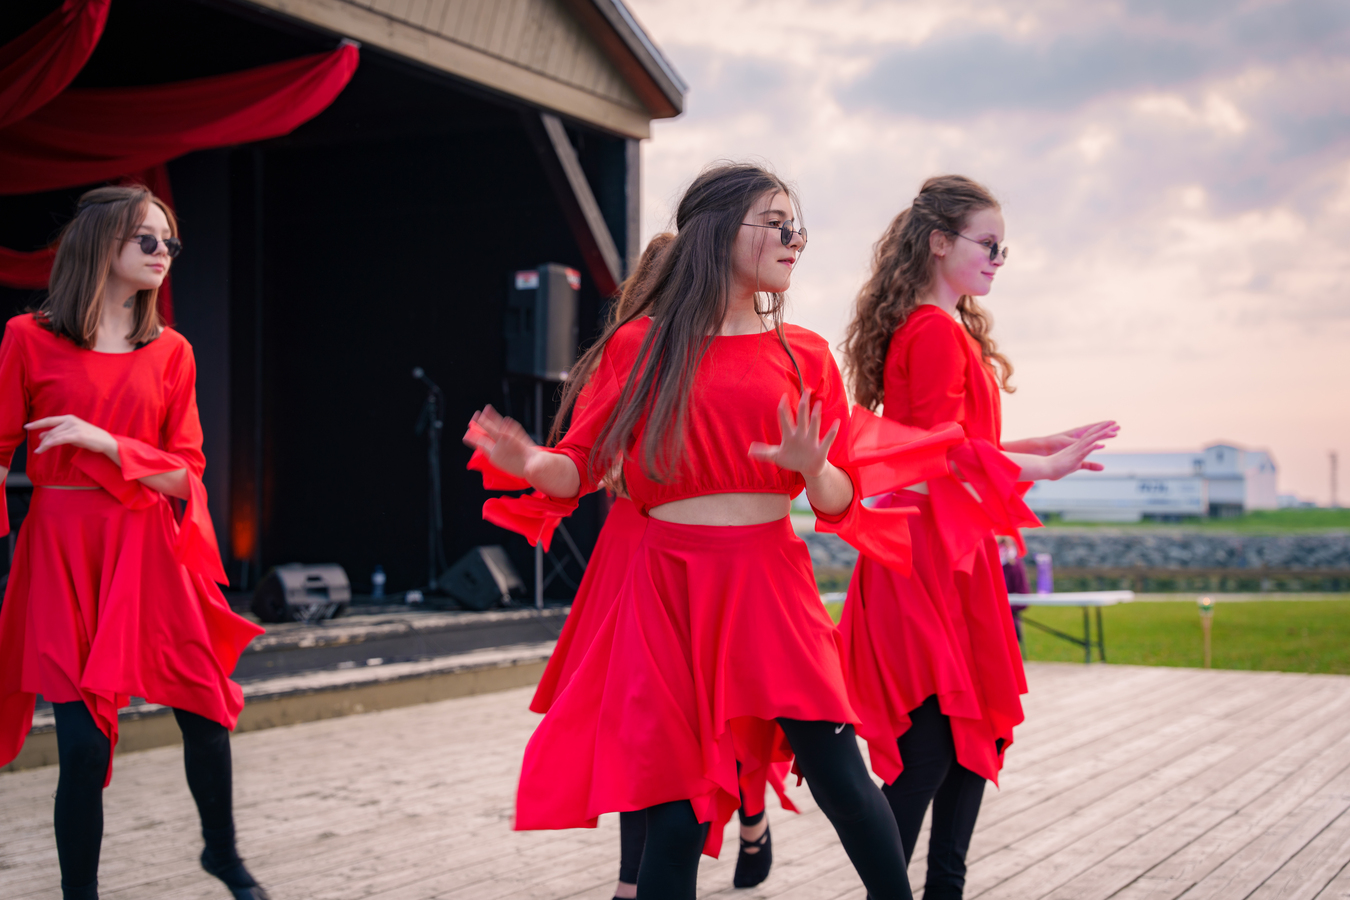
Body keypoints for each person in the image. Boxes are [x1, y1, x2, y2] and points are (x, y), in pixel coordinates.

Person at [465, 164, 942, 900]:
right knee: (677, 814)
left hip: (770, 581)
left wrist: (814, 469)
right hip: (666, 590)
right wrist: (529, 459)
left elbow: (843, 496)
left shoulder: (805, 354)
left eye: (798, 227)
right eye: (778, 224)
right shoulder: (641, 347)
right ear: (718, 233)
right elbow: (580, 469)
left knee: (841, 778)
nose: (795, 241)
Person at [838, 174, 1117, 899]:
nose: (999, 258)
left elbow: (958, 446)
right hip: (929, 562)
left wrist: (1039, 446)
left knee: (968, 748)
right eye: (988, 244)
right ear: (939, 242)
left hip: (949, 557)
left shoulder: (942, 326)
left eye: (1004, 248)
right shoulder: (931, 330)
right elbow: (936, 456)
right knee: (935, 747)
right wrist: (1041, 467)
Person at [487, 233, 788, 898]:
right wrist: (547, 462)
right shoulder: (640, 350)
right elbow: (586, 459)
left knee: (728, 700)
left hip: (706, 549)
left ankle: (751, 815)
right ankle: (635, 879)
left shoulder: (731, 353)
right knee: (643, 714)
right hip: (640, 545)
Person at [0, 186, 268, 900]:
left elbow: (187, 475)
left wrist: (105, 443)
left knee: (206, 711)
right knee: (81, 751)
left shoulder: (171, 350)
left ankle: (222, 853)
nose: (162, 254)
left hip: (148, 548)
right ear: (101, 243)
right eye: (147, 240)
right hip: (62, 551)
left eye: (170, 243)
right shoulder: (27, 338)